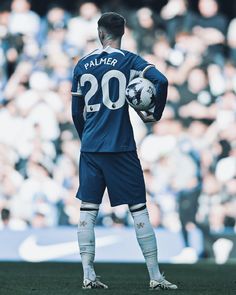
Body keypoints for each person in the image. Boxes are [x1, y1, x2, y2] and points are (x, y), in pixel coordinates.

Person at [71, 12, 177, 290]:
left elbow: (76, 111)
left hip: (91, 147)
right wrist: (154, 114)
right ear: (123, 33)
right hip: (121, 146)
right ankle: (155, 276)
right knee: (138, 209)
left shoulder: (82, 64)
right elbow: (162, 81)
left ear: (100, 32)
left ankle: (88, 275)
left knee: (87, 210)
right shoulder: (130, 60)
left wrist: (87, 139)